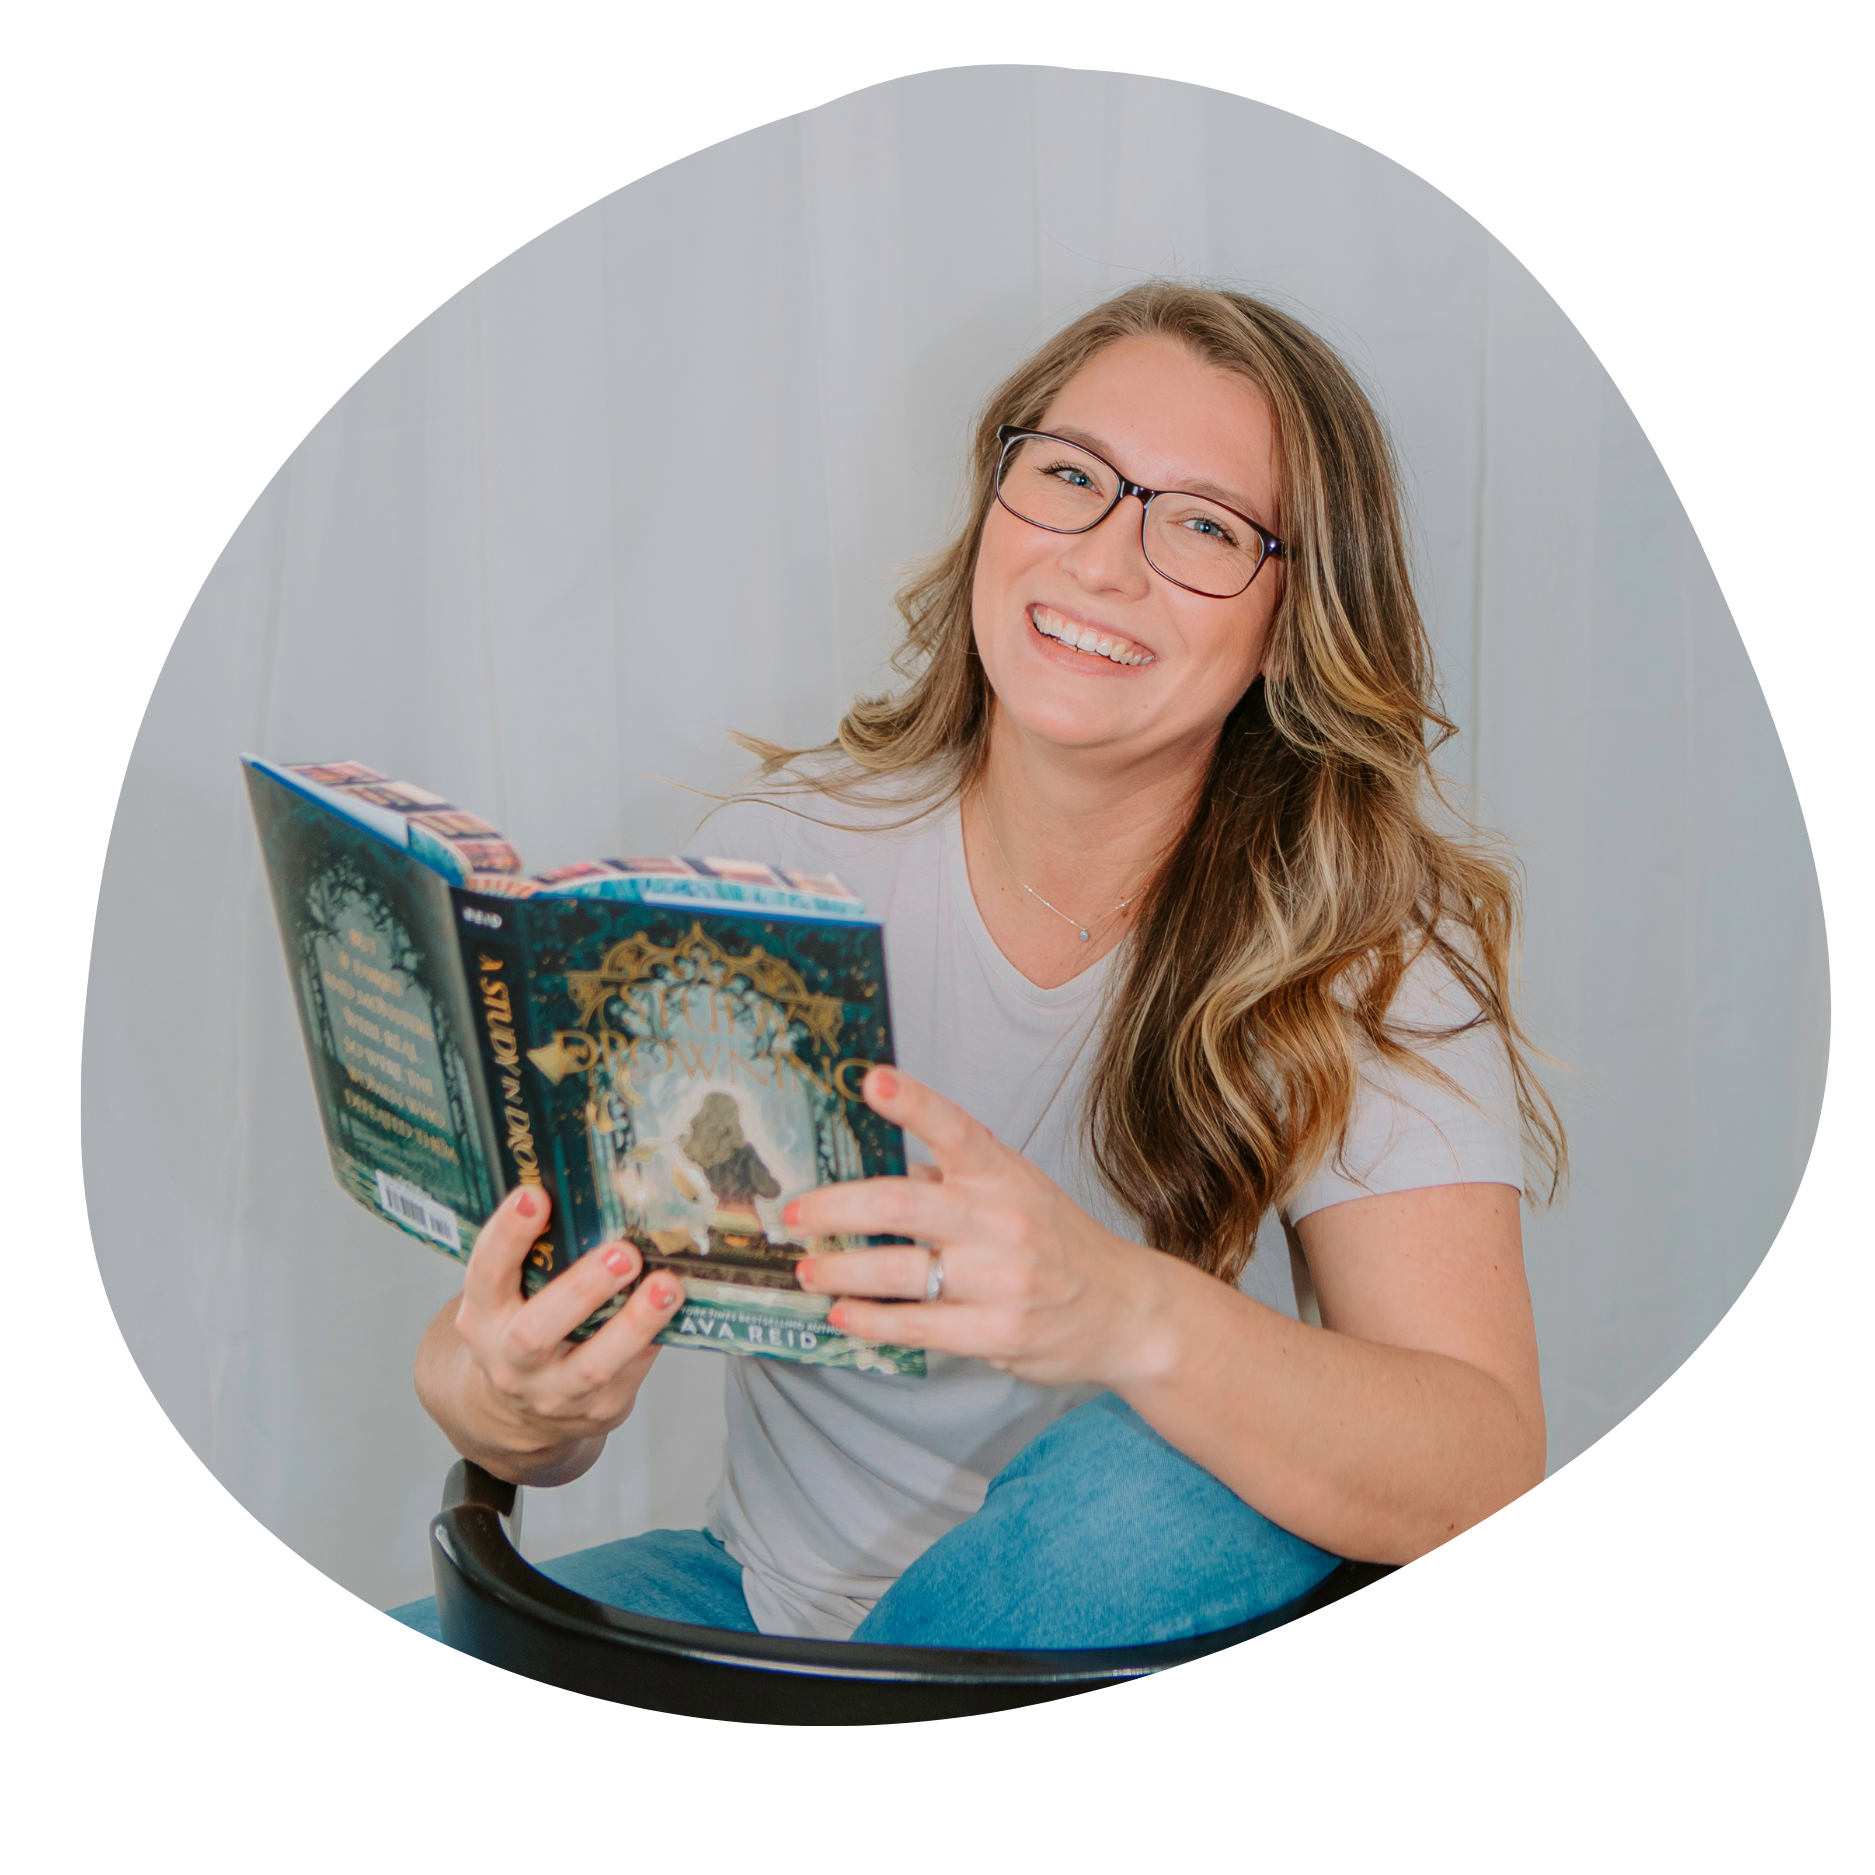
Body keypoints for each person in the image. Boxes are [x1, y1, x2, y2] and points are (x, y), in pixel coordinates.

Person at [398, 283, 1565, 1652]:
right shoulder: (780, 869)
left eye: (1201, 524)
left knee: (1169, 1476)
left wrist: (1120, 1308)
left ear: (1293, 618)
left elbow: (1483, 1487)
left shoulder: (1358, 945)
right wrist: (515, 1396)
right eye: (1069, 476)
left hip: (1108, 1611)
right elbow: (502, 1397)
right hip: (763, 1608)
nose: (1104, 562)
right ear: (993, 503)